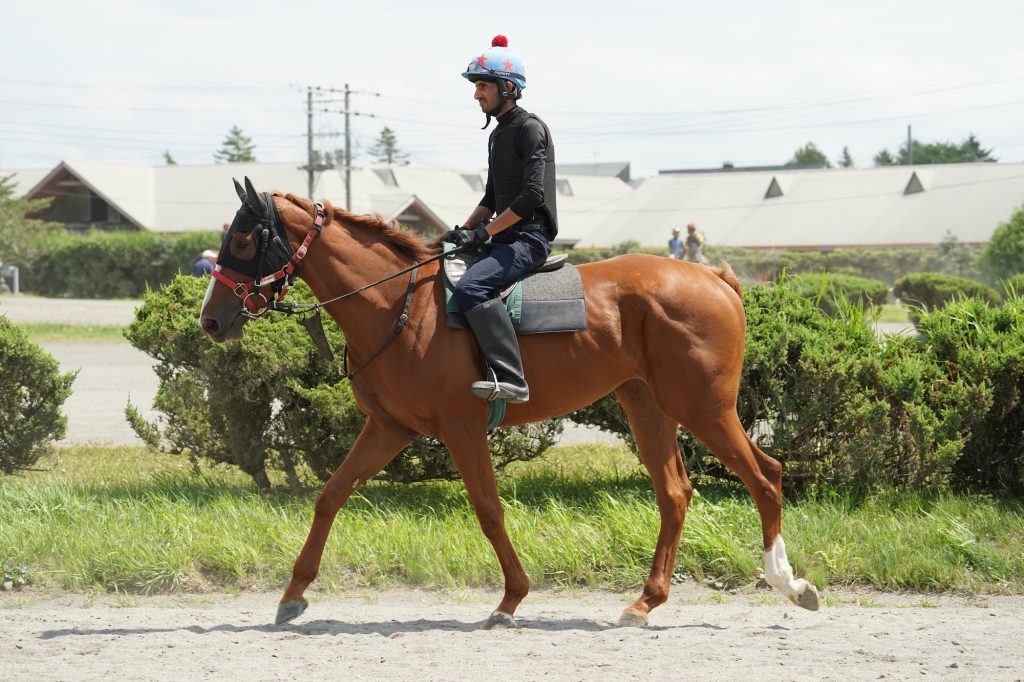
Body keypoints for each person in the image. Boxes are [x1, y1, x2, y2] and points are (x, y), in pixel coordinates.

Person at [446, 34, 558, 404]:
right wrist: (464, 231)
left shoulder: (530, 129)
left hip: (529, 240)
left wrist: (485, 233)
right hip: (504, 239)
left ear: (508, 87)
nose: (476, 94)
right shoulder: (497, 135)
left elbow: (531, 197)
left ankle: (512, 378)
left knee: (470, 288)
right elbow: (492, 196)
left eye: (482, 86)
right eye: (476, 86)